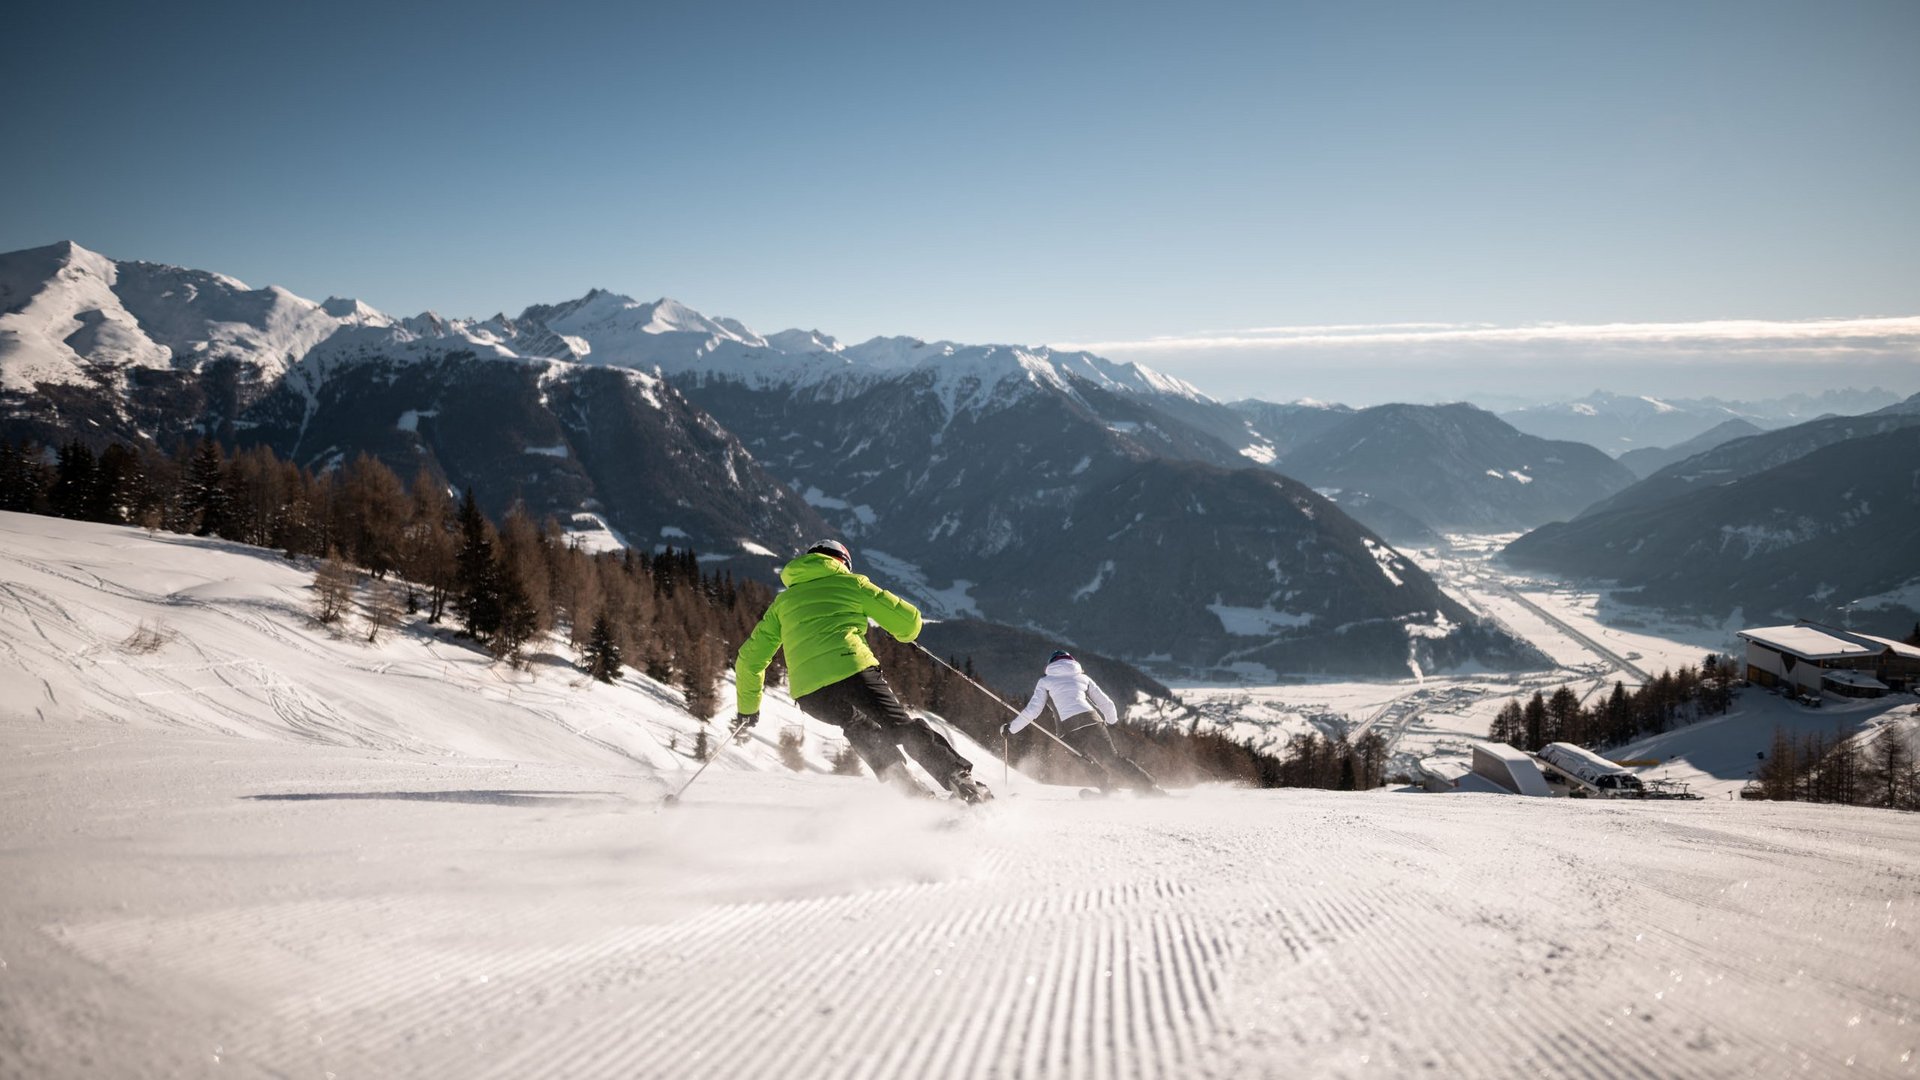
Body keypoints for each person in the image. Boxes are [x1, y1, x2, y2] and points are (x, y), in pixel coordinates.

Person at [734, 539, 993, 804]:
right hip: (852, 671)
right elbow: (910, 622)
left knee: (856, 725)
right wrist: (903, 633)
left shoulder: (783, 603)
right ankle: (960, 780)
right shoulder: (852, 584)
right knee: (899, 725)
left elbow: (749, 660)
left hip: (809, 692)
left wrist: (748, 709)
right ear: (842, 562)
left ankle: (907, 787)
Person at [1007, 650, 1164, 795]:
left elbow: (1033, 711)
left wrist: (1011, 729)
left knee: (1084, 759)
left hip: (1067, 729)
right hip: (1092, 721)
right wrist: (1112, 721)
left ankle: (1108, 790)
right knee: (1112, 758)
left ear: (1049, 665)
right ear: (1073, 663)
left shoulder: (1045, 682)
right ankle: (1149, 787)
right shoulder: (1083, 678)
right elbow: (1107, 703)